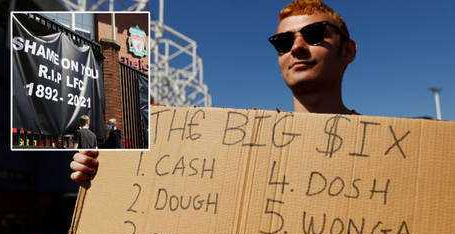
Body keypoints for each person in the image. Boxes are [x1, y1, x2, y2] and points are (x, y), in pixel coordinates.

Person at [70, 0, 357, 182]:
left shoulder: (387, 151)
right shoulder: (241, 146)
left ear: (348, 50)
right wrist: (103, 177)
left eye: (315, 34)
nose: (296, 47)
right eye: (282, 42)